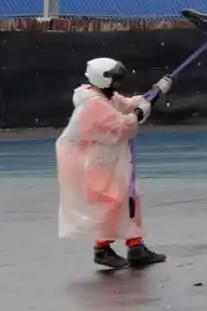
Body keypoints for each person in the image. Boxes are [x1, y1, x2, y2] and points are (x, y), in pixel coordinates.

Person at [56, 57, 172, 269]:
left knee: (129, 197)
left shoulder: (103, 95)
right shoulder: (93, 103)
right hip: (96, 161)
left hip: (108, 157)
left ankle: (135, 245)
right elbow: (124, 125)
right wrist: (142, 109)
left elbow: (127, 105)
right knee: (112, 202)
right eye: (115, 80)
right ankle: (102, 248)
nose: (119, 85)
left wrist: (154, 92)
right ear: (103, 79)